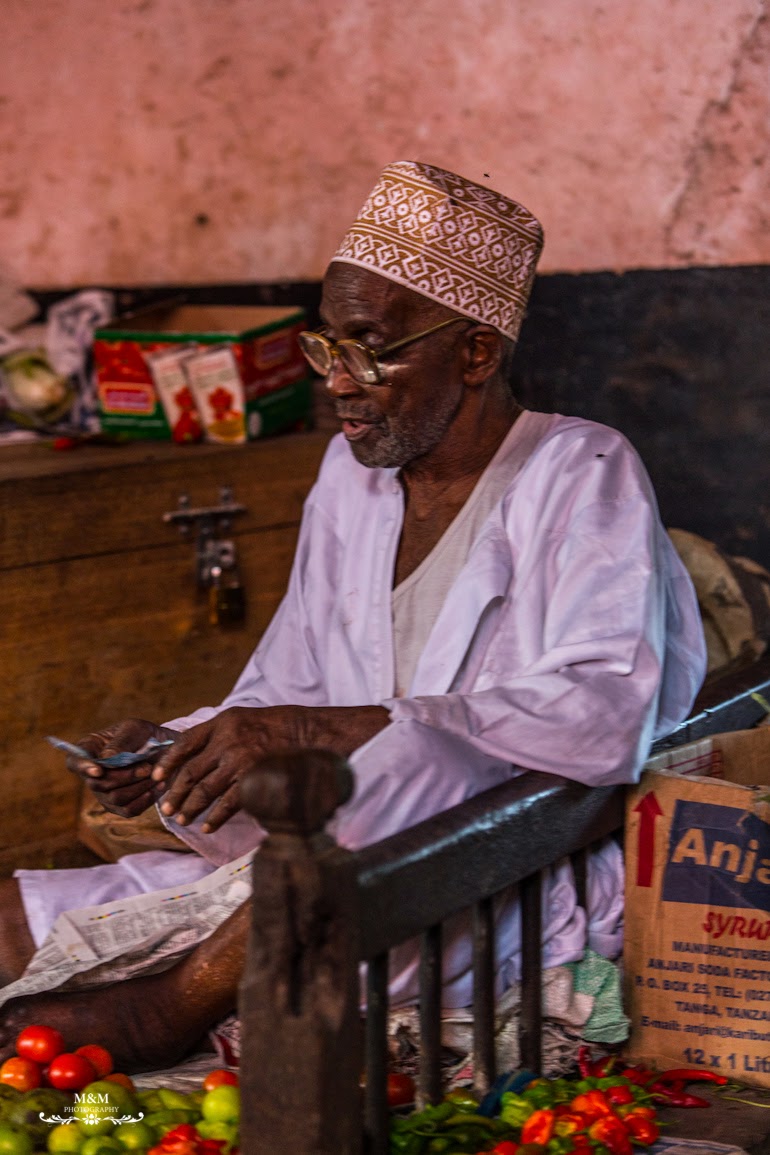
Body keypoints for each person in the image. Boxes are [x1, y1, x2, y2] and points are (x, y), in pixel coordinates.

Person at [0, 162, 706, 1071]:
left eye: (369, 348)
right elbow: (288, 684)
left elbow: (606, 710)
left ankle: (174, 1004)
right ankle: (181, 973)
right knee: (20, 920)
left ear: (476, 353)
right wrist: (181, 749)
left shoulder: (581, 470)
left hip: (504, 868)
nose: (340, 382)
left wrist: (313, 729)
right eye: (326, 347)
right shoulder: (350, 478)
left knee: (397, 774)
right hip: (326, 849)